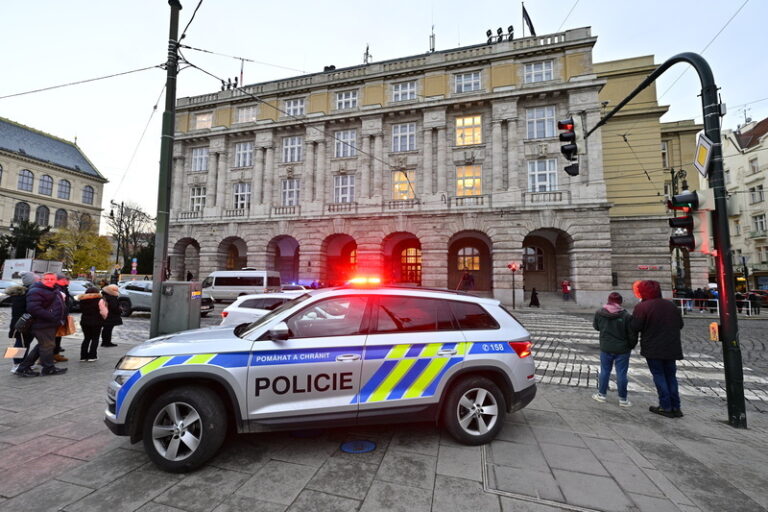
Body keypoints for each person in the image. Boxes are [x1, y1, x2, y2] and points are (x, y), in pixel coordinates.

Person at [631, 280, 684, 418]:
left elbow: (635, 326)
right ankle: (676, 407)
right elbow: (680, 324)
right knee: (671, 376)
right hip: (671, 346)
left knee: (659, 375)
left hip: (653, 347)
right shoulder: (671, 305)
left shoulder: (642, 307)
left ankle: (665, 406)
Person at [15, 272, 68, 377]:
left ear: (55, 280)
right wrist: (52, 317)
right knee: (46, 346)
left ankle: (23, 367)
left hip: (48, 324)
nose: (49, 281)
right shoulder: (36, 291)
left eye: (52, 279)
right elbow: (33, 308)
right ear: (41, 280)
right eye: (46, 279)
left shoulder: (54, 290)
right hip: (41, 324)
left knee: (43, 345)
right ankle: (47, 368)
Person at [592, 292, 638, 407]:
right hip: (622, 349)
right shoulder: (626, 316)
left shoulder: (599, 313)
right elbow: (632, 334)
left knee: (604, 371)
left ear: (608, 300)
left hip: (606, 347)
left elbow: (596, 327)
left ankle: (601, 395)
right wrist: (631, 345)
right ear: (620, 302)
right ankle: (623, 399)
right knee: (621, 373)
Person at [7, 272, 38, 373]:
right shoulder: (25, 294)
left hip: (22, 322)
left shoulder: (23, 293)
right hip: (22, 323)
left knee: (24, 343)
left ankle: (22, 363)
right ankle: (16, 364)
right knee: (20, 344)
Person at [78, 286, 108, 361]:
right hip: (97, 321)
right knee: (95, 338)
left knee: (86, 338)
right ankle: (92, 356)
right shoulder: (100, 300)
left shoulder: (82, 299)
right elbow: (104, 312)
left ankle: (83, 356)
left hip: (84, 321)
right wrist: (104, 318)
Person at [53, 274, 74, 363]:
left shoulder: (63, 288)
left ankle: (55, 354)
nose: (68, 282)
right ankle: (47, 357)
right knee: (52, 338)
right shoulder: (57, 289)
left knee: (58, 336)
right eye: (66, 280)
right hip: (56, 317)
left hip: (61, 316)